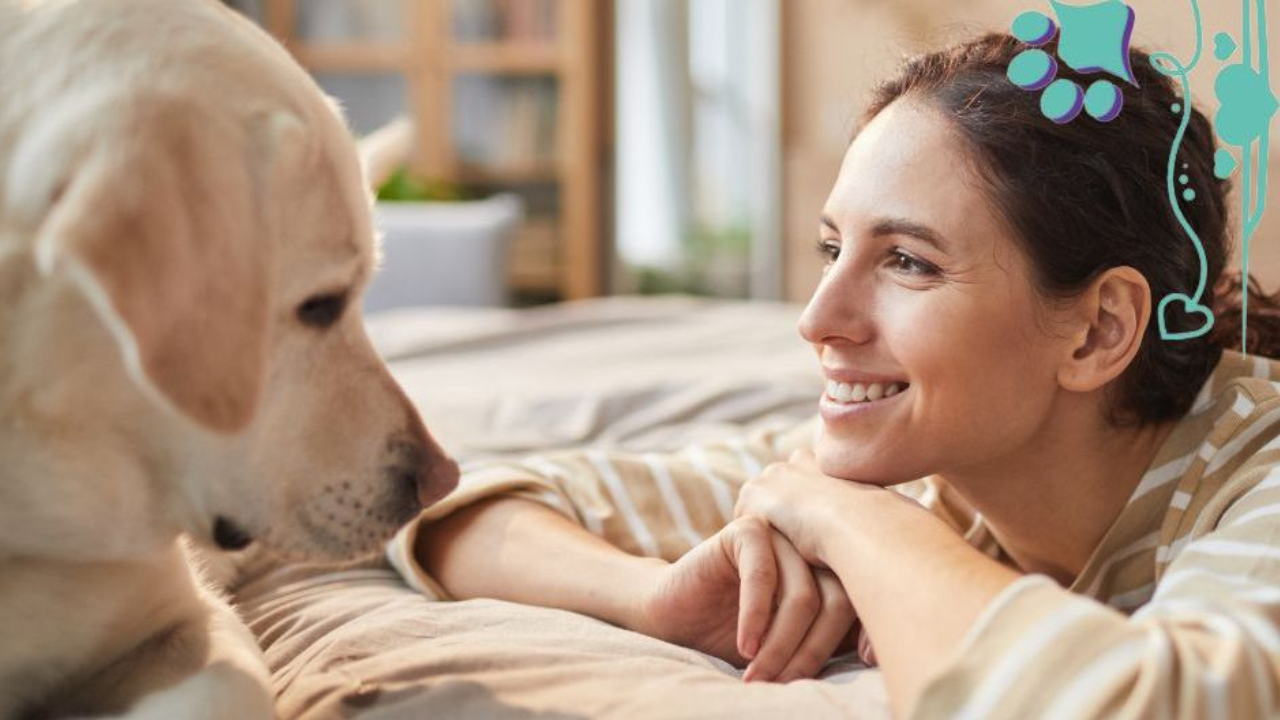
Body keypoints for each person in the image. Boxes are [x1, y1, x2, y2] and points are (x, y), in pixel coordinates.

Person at [385, 33, 1280, 718]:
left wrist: (850, 521)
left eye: (909, 263)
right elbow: (448, 502)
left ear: (1097, 330)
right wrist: (652, 599)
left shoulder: (1257, 475)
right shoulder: (934, 472)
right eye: (830, 248)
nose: (815, 321)